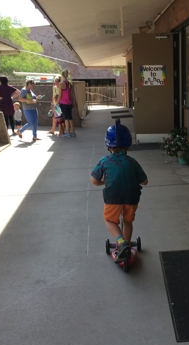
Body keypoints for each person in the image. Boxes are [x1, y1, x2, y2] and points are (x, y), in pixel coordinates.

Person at [90, 119, 148, 263]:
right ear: (128, 144)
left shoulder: (104, 161)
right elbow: (144, 181)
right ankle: (127, 245)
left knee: (109, 220)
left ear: (108, 144)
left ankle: (121, 242)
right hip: (131, 197)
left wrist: (105, 181)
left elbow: (94, 181)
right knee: (127, 221)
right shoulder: (132, 161)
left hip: (113, 196)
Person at [58, 69, 76, 137]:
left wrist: (56, 102)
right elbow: (71, 95)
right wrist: (72, 102)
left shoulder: (61, 84)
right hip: (69, 103)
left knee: (66, 118)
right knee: (70, 117)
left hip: (63, 103)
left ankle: (67, 133)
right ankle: (73, 132)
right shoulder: (69, 83)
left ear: (62, 75)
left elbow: (60, 95)